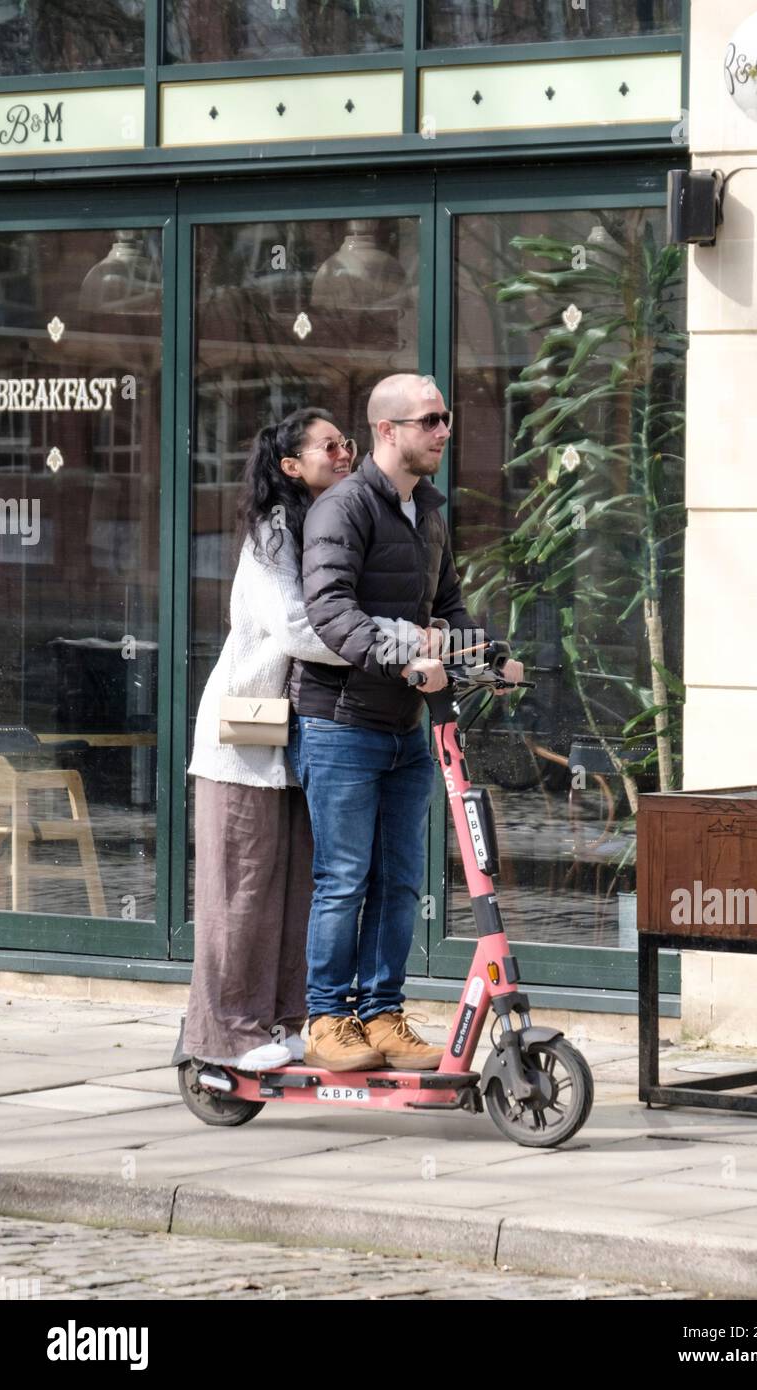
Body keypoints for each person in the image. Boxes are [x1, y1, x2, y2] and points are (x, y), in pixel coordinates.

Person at [290, 373, 523, 1073]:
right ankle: (329, 1019)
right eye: (431, 421)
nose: (444, 431)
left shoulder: (427, 512)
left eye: (445, 419)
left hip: (405, 730)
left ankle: (382, 1014)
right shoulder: (342, 509)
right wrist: (402, 659)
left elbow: (446, 608)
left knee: (399, 882)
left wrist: (488, 656)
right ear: (389, 431)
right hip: (339, 725)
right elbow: (330, 612)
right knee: (343, 878)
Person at [184, 409, 355, 1070]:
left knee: (289, 893)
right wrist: (379, 652)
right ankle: (226, 1036)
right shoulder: (272, 534)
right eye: (330, 444)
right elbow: (294, 629)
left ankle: (281, 1022)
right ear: (291, 466)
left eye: (349, 442)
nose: (345, 452)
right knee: (242, 895)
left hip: (293, 744)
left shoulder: (322, 525)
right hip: (244, 745)